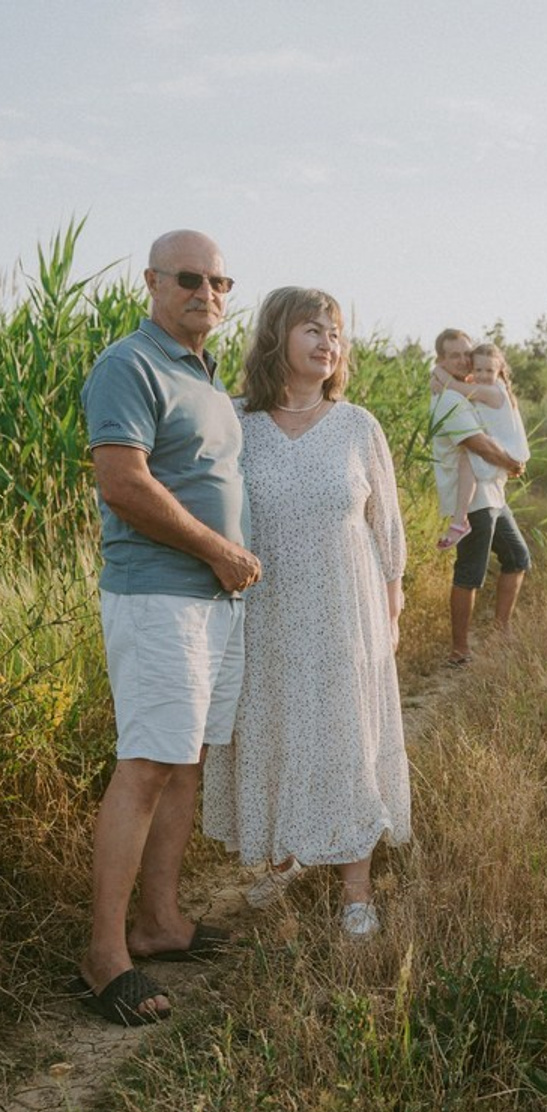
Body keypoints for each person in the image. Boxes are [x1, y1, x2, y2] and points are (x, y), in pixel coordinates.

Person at [74, 229, 259, 1026]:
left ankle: (161, 924)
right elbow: (123, 483)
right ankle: (104, 955)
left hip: (211, 603)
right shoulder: (130, 364)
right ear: (151, 281)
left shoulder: (205, 375)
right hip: (161, 599)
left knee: (186, 765)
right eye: (190, 279)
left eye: (220, 283)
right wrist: (220, 551)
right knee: (148, 765)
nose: (207, 294)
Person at [203, 288, 410, 938]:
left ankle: (356, 890)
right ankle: (288, 854)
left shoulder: (357, 426)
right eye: (313, 330)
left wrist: (392, 605)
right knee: (278, 728)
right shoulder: (237, 421)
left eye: (336, 333)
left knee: (347, 736)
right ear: (277, 337)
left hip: (346, 610)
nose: (328, 344)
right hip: (266, 611)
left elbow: (387, 528)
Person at [429, 329, 530, 666]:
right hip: (472, 499)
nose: (463, 360)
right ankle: (459, 651)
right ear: (441, 360)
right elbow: (478, 444)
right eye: (454, 355)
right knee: (470, 572)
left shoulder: (466, 391)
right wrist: (512, 462)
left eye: (466, 353)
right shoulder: (447, 399)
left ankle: (502, 633)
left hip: (492, 494)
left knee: (517, 557)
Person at [434, 341, 531, 549]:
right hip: (505, 448)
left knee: (466, 458)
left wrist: (437, 373)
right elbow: (464, 387)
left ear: (500, 371)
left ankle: (459, 520)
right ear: (472, 369)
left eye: (489, 370)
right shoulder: (486, 387)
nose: (484, 375)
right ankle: (460, 520)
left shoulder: (492, 391)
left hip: (508, 450)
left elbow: (456, 387)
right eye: (478, 369)